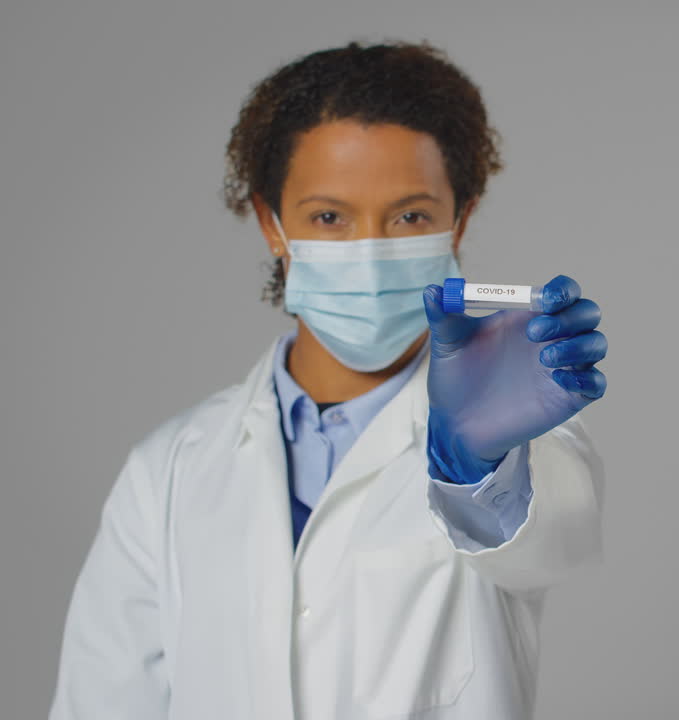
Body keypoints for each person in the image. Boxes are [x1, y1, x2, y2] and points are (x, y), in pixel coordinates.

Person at [50, 41, 607, 720]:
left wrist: (475, 471)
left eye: (409, 217)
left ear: (459, 217)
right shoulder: (166, 471)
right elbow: (102, 703)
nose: (368, 250)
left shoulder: (514, 434)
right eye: (328, 218)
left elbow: (555, 543)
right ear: (272, 225)